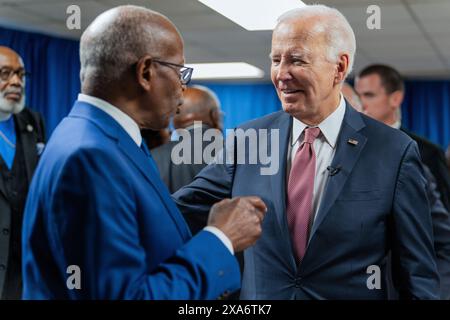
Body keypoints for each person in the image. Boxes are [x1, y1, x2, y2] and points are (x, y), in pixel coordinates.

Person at [174, 5, 440, 299]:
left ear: (339, 67)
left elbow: (417, 274)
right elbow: (179, 212)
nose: (281, 74)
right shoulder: (248, 140)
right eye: (276, 59)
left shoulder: (394, 151)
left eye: (296, 60)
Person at [21, 5, 266, 300]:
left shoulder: (105, 137)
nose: (182, 87)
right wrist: (221, 238)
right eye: (180, 72)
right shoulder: (92, 155)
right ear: (146, 72)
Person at [355, 64, 450, 211]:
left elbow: (442, 212)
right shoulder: (348, 145)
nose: (360, 103)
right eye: (357, 96)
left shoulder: (428, 152)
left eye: (369, 95)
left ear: (395, 98)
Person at [0, 46, 45, 300]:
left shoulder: (32, 121)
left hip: (24, 263)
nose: (16, 81)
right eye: (5, 74)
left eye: (20, 74)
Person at [152, 85, 223, 234]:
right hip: (227, 249)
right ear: (215, 115)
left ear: (176, 121)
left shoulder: (152, 158)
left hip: (172, 250)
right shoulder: (238, 154)